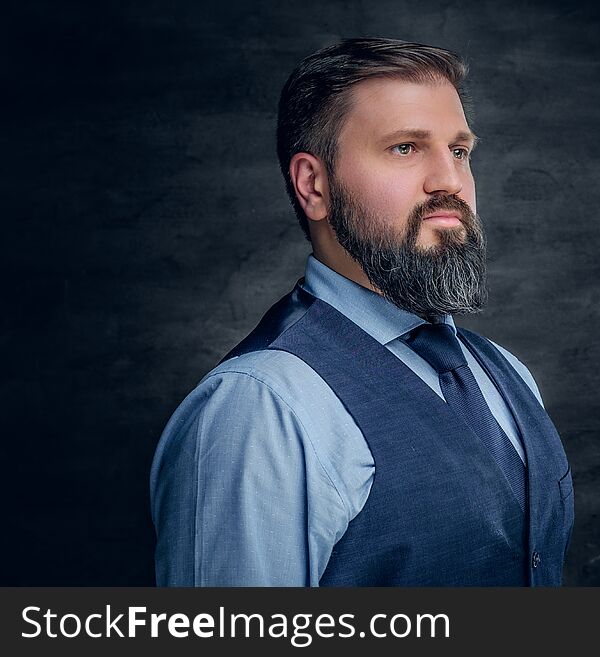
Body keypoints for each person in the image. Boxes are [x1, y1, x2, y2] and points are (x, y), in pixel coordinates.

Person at [150, 37, 573, 586]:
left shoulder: (506, 373)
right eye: (405, 147)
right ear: (314, 185)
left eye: (460, 151)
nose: (449, 180)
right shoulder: (260, 409)